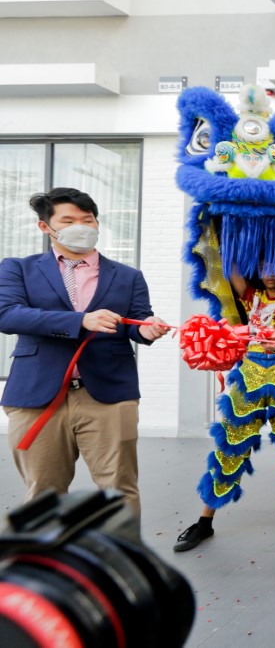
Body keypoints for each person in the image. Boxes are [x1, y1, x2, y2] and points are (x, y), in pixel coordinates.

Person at [0, 188, 169, 524]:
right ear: (45, 227)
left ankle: (121, 564)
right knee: (44, 491)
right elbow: (8, 314)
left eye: (87, 219)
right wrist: (80, 320)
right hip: (38, 394)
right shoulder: (18, 268)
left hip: (108, 396)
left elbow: (135, 322)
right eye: (69, 220)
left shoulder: (128, 276)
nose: (81, 226)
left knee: (119, 488)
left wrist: (147, 329)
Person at [173, 268, 275, 552]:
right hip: (249, 375)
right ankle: (204, 521)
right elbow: (230, 265)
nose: (270, 274)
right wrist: (226, 226)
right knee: (230, 444)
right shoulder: (250, 296)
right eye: (264, 266)